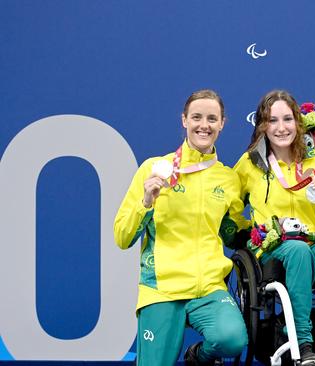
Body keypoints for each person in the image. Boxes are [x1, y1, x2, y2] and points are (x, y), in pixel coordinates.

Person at [113, 89, 248, 366]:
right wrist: (146, 201)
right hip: (163, 289)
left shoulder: (228, 178)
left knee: (232, 339)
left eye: (212, 118)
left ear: (222, 123)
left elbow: (234, 233)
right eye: (196, 117)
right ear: (184, 120)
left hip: (208, 289)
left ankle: (198, 357)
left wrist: (268, 227)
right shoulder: (154, 168)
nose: (204, 125)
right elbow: (122, 237)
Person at [233, 90, 315, 366]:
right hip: (277, 249)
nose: (281, 127)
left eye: (287, 119)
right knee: (297, 251)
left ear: (298, 123)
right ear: (262, 125)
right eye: (273, 120)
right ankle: (303, 340)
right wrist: (257, 231)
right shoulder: (250, 164)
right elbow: (232, 211)